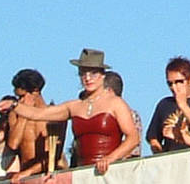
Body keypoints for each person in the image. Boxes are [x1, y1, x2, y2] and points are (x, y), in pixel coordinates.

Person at [10, 55, 140, 175]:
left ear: (102, 75)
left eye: (93, 73)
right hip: (82, 173)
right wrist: (14, 105)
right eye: (83, 73)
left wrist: (110, 158)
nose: (87, 78)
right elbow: (39, 114)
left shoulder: (116, 103)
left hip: (110, 172)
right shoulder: (74, 105)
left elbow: (133, 138)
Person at [146, 58, 190, 152]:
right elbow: (153, 137)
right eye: (170, 83)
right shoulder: (165, 104)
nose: (174, 87)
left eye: (179, 82)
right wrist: (159, 152)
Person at [3, 69, 64, 176]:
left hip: (49, 173)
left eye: (22, 96)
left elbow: (56, 154)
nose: (20, 101)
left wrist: (29, 172)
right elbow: (13, 144)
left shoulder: (55, 115)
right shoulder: (15, 114)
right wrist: (24, 115)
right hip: (25, 174)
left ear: (35, 91)